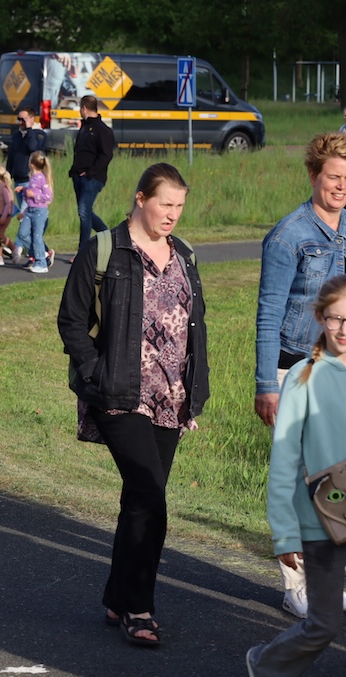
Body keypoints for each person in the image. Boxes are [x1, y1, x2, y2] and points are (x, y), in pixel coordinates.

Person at [58, 163, 209, 646]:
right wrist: (95, 371)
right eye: (165, 204)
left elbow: (195, 325)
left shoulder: (185, 254)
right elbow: (71, 320)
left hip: (171, 397)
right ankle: (139, 608)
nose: (172, 214)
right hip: (119, 393)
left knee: (140, 499)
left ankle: (116, 596)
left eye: (179, 206)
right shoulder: (104, 249)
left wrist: (195, 390)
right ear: (141, 198)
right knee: (149, 495)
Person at [255, 132, 346, 619]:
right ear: (314, 175)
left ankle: (328, 575)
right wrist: (266, 385)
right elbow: (269, 313)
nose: (341, 186)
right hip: (298, 369)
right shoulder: (289, 235)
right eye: (333, 176)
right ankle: (298, 586)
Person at [246, 274, 346, 677]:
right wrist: (285, 533)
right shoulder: (303, 377)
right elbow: (284, 460)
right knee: (324, 624)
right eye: (335, 319)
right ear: (319, 318)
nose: (345, 329)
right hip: (318, 522)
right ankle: (264, 664)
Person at [69, 95, 115, 259]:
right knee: (86, 212)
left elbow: (106, 155)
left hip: (92, 178)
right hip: (78, 176)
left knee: (84, 212)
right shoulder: (84, 127)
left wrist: (91, 172)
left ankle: (83, 253)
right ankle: (108, 236)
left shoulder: (102, 130)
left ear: (84, 108)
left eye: (80, 109)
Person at [6, 107, 46, 264]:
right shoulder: (17, 136)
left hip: (30, 182)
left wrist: (29, 130)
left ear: (31, 119)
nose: (20, 122)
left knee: (24, 217)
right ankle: (41, 252)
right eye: (19, 119)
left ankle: (19, 248)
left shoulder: (37, 135)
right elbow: (12, 155)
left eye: (23, 119)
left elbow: (34, 149)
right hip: (18, 180)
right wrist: (8, 174)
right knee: (25, 219)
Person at [17, 151, 54, 274]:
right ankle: (40, 253)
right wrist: (24, 189)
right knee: (23, 234)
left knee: (37, 237)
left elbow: (48, 196)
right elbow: (29, 195)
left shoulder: (42, 178)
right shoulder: (32, 178)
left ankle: (41, 264)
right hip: (30, 210)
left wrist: (34, 195)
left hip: (39, 212)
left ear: (31, 164)